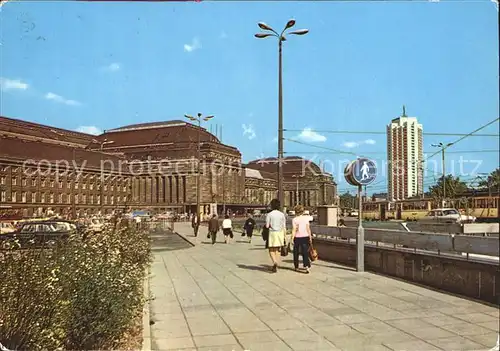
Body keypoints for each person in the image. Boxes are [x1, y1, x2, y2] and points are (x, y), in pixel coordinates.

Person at [265, 199, 286, 273]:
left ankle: (274, 262)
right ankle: (277, 262)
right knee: (278, 249)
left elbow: (267, 226)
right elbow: (284, 226)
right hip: (280, 233)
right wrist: (284, 235)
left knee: (271, 249)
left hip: (272, 233)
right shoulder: (282, 214)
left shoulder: (269, 214)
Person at [291, 204, 312, 273]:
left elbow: (294, 229)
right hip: (305, 237)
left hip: (297, 237)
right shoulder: (306, 218)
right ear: (302, 211)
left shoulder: (294, 219)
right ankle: (307, 266)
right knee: (305, 252)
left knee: (296, 252)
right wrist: (310, 237)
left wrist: (292, 238)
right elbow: (308, 228)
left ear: (296, 212)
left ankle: (296, 266)